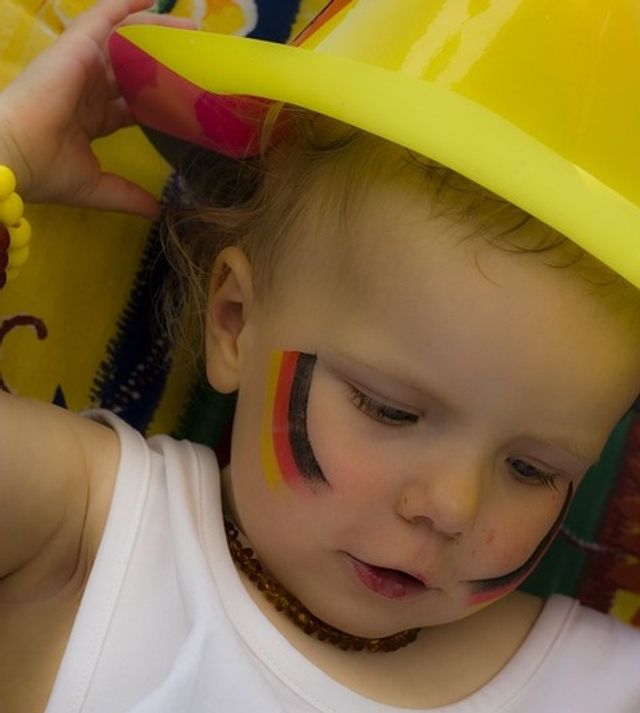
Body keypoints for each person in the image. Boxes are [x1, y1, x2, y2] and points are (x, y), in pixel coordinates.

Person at [1, 1, 640, 711]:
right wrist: (8, 154)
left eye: (534, 469)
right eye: (389, 410)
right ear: (235, 322)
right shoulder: (92, 531)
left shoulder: (604, 683)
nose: (452, 506)